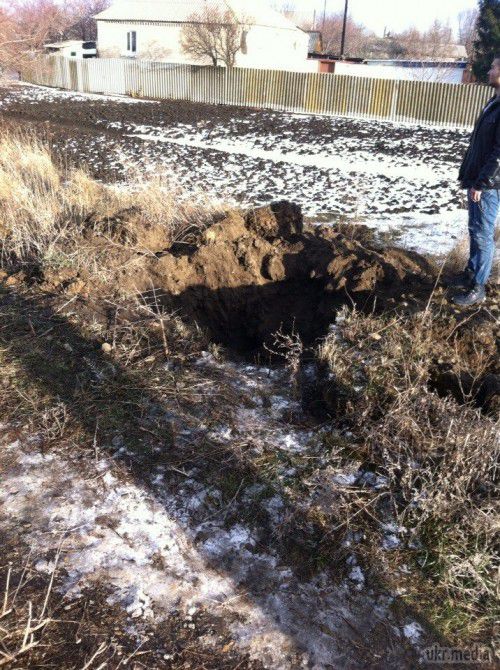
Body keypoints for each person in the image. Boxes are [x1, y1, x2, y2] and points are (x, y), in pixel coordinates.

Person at [452, 57, 500, 306]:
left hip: (490, 186)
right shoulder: (494, 102)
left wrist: (482, 183)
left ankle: (478, 287)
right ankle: (471, 274)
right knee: (475, 229)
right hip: (480, 180)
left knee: (482, 234)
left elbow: (499, 153)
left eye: (494, 67)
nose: (490, 71)